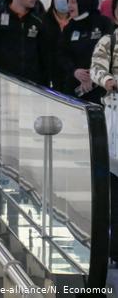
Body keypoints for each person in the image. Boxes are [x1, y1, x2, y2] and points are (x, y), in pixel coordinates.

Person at [89, 22, 118, 265]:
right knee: (114, 185)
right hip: (115, 111)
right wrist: (109, 81)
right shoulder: (109, 41)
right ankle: (115, 248)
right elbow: (96, 69)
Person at [57, 0, 114, 104]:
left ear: (83, 2)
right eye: (68, 2)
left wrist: (93, 77)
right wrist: (74, 71)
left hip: (100, 88)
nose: (69, 5)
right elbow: (61, 54)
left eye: (73, 2)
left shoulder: (104, 23)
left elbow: (111, 52)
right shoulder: (69, 28)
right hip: (75, 89)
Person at [42, 0, 72, 90]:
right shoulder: (43, 21)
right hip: (48, 76)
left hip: (71, 77)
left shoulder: (76, 22)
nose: (63, 0)